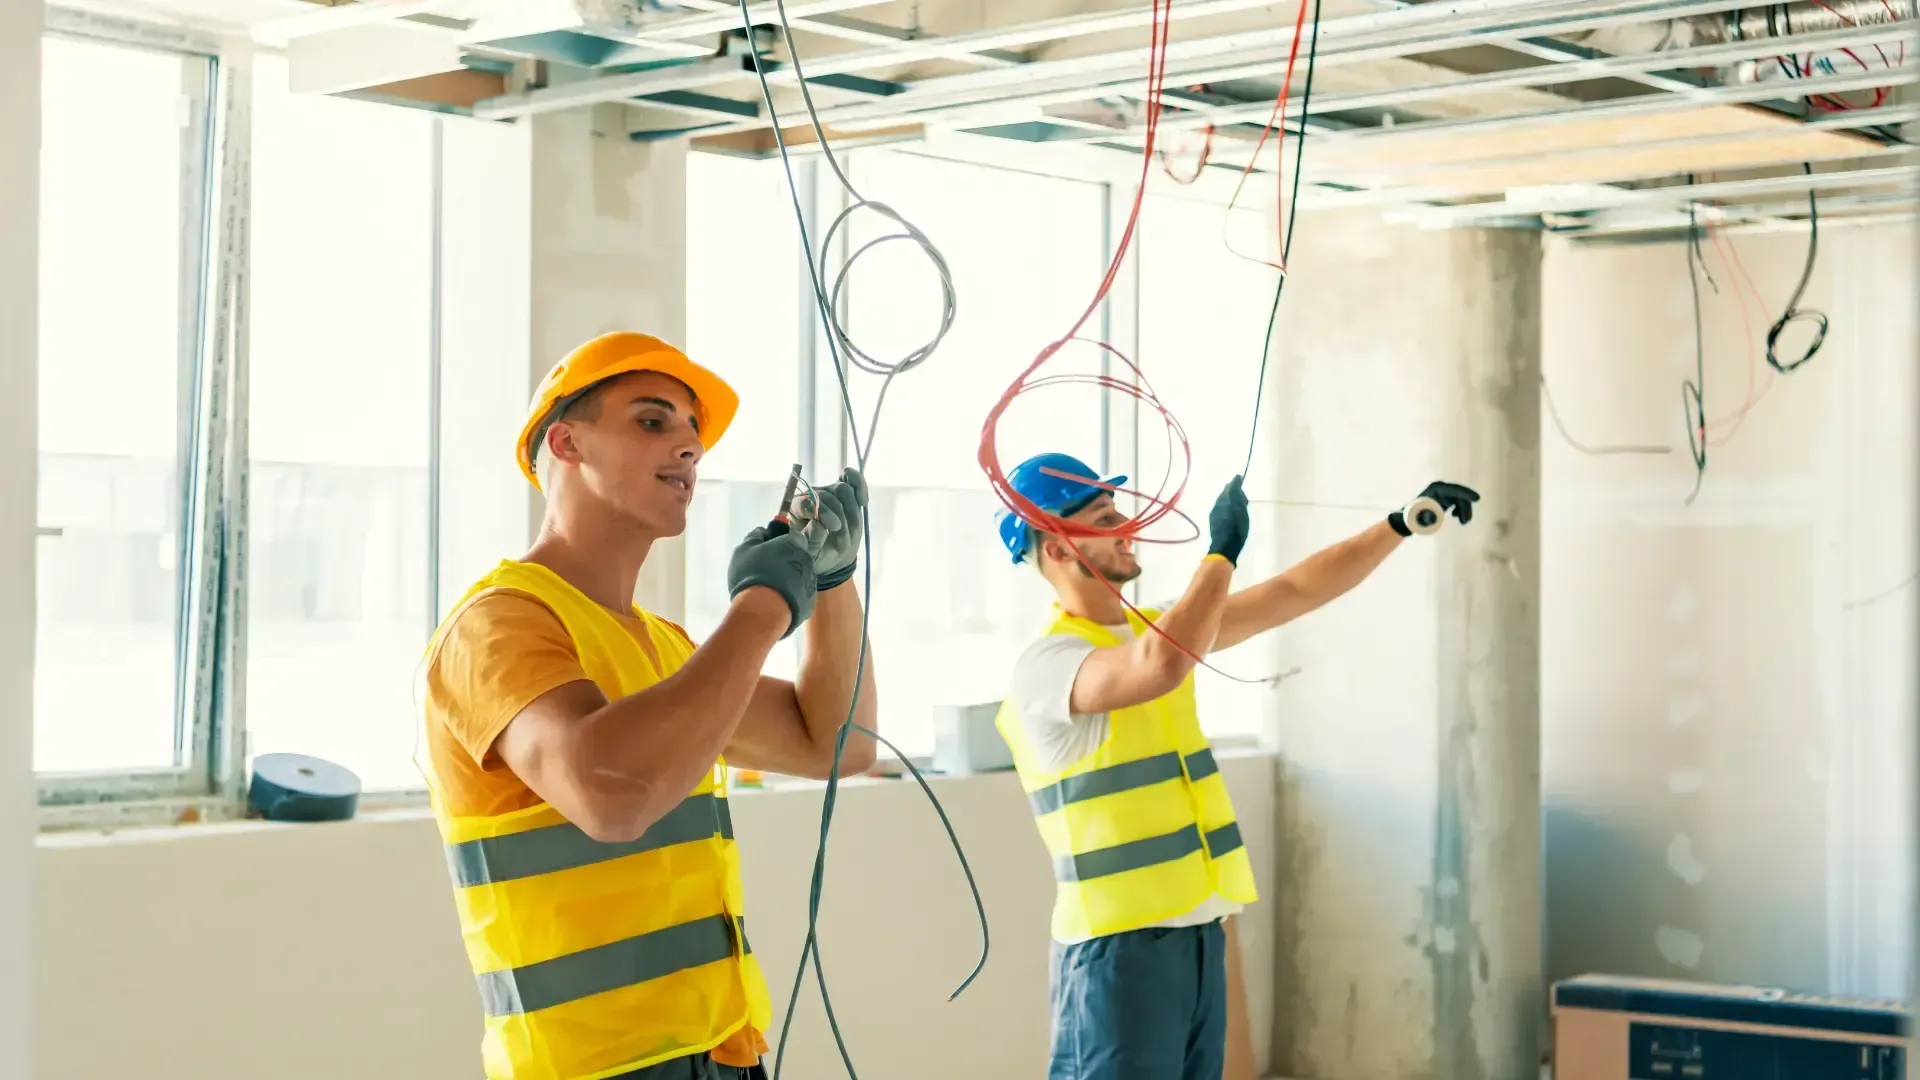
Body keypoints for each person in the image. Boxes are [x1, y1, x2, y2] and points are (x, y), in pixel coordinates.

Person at [417, 331, 878, 1080]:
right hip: (591, 1070)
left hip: (723, 1056)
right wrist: (763, 608)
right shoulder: (496, 624)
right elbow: (609, 797)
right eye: (654, 421)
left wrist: (830, 581)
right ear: (566, 442)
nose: (691, 449)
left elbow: (838, 744)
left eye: (695, 433)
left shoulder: (662, 646)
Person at [992, 451, 1479, 1080]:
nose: (1129, 525)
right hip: (1118, 948)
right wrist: (1219, 554)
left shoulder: (1158, 627)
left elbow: (1295, 591)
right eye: (1105, 516)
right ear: (1059, 548)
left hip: (1197, 934)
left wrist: (1401, 524)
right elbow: (1156, 667)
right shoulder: (1049, 664)